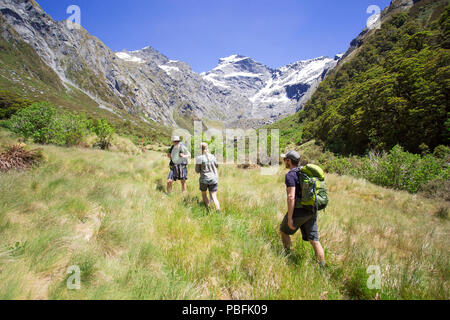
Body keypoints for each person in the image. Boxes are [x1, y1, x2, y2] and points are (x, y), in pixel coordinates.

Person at [279, 151, 325, 267]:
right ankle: (321, 267)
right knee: (314, 240)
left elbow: (291, 196)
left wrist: (290, 218)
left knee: (284, 232)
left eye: (285, 159)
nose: (284, 161)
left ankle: (288, 255)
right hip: (311, 209)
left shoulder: (290, 175)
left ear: (289, 161)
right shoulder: (305, 173)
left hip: (299, 210)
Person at [195, 142, 220, 211]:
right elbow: (217, 166)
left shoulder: (199, 158)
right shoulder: (213, 156)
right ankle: (218, 210)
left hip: (204, 179)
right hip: (214, 179)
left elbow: (197, 171)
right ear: (207, 148)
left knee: (204, 194)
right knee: (214, 196)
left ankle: (209, 209)